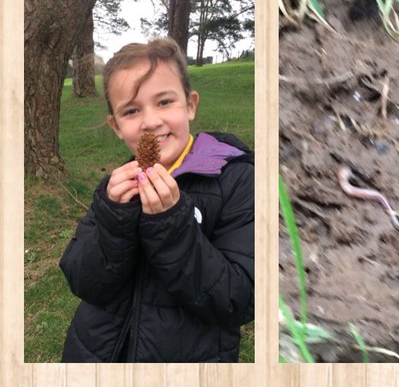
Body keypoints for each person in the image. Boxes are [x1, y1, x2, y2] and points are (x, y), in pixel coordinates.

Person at [60, 37, 254, 362]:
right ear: (117, 126)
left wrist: (173, 226)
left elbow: (238, 298)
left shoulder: (237, 180)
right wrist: (113, 221)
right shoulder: (114, 190)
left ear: (190, 104)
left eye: (165, 102)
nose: (150, 122)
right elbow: (83, 280)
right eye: (132, 110)